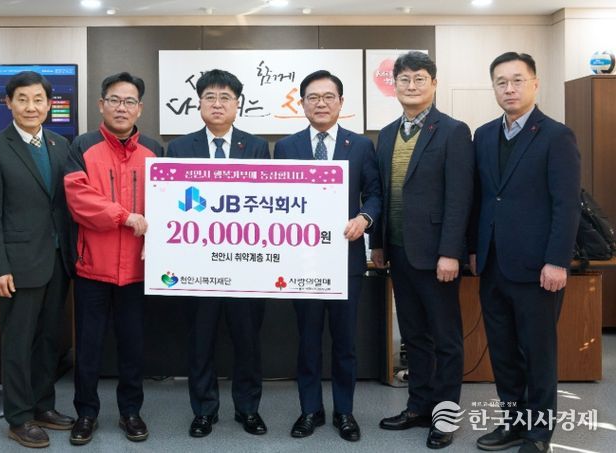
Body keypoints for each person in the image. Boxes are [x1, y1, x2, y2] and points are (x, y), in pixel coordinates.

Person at [469, 52, 581, 453]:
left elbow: (566, 205)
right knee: (502, 352)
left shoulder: (556, 136)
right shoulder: (484, 135)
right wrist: (473, 250)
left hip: (538, 267)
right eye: (501, 82)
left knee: (538, 353)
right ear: (493, 88)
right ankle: (513, 423)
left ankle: (538, 434)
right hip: (493, 263)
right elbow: (481, 198)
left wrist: (557, 261)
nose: (509, 88)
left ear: (535, 83)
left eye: (517, 80)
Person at [370, 51, 473, 449]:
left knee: (445, 338)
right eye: (404, 79)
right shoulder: (386, 134)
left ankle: (444, 418)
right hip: (399, 252)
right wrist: (379, 245)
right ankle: (418, 407)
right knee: (413, 337)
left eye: (419, 79)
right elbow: (381, 194)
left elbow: (460, 197)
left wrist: (451, 252)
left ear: (434, 83)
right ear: (394, 85)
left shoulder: (452, 131)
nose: (411, 86)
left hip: (437, 255)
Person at [274, 70, 382, 442]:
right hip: (302, 261)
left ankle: (344, 412)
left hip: (345, 259)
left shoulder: (361, 146)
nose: (321, 103)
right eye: (313, 97)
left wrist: (364, 218)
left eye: (328, 97)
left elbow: (375, 193)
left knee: (345, 342)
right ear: (302, 104)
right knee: (307, 341)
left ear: (341, 102)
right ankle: (310, 410)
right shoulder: (286, 148)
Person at [166, 69, 271, 438]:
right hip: (197, 266)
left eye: (225, 97)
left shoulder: (256, 148)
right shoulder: (179, 149)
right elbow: (170, 206)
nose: (217, 104)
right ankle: (204, 410)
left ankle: (248, 409)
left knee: (248, 341)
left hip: (246, 266)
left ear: (237, 105)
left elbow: (267, 205)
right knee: (200, 342)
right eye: (209, 97)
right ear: (198, 104)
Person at [0, 71, 75, 448]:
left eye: (38, 99)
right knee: (18, 343)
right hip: (17, 265)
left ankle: (42, 406)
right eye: (22, 99)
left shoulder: (60, 144)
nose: (31, 106)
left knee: (49, 340)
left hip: (57, 260)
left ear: (49, 104)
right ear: (9, 103)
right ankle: (18, 417)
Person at [64, 72, 162, 445]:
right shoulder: (82, 146)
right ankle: (86, 414)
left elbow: (169, 202)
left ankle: (130, 412)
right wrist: (124, 216)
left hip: (137, 270)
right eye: (115, 100)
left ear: (140, 108)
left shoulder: (154, 150)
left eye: (129, 101)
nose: (122, 108)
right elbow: (78, 199)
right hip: (93, 266)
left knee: (132, 346)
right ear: (101, 104)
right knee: (88, 347)